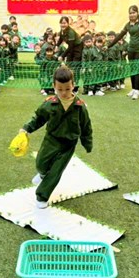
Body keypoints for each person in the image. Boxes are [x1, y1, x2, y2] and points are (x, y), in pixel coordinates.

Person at [19, 66, 93, 210]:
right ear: (54, 86)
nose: (64, 93)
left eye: (67, 88)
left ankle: (42, 196)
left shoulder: (80, 107)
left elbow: (86, 126)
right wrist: (26, 128)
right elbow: (38, 118)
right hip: (51, 140)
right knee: (41, 163)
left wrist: (87, 143)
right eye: (60, 89)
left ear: (73, 85)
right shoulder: (49, 103)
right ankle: (41, 174)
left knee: (55, 171)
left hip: (68, 144)